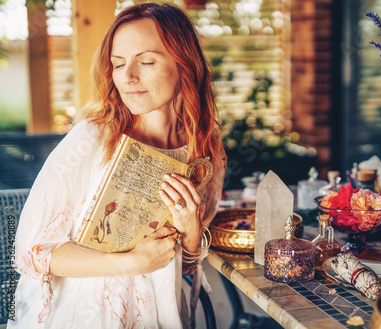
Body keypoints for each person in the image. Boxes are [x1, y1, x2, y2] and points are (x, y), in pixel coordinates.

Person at [8, 3, 226, 328]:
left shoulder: (205, 153)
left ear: (185, 64)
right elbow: (31, 251)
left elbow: (187, 267)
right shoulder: (94, 138)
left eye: (147, 61)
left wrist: (192, 230)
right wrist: (131, 263)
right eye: (118, 64)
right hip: (86, 313)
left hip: (160, 313)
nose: (128, 77)